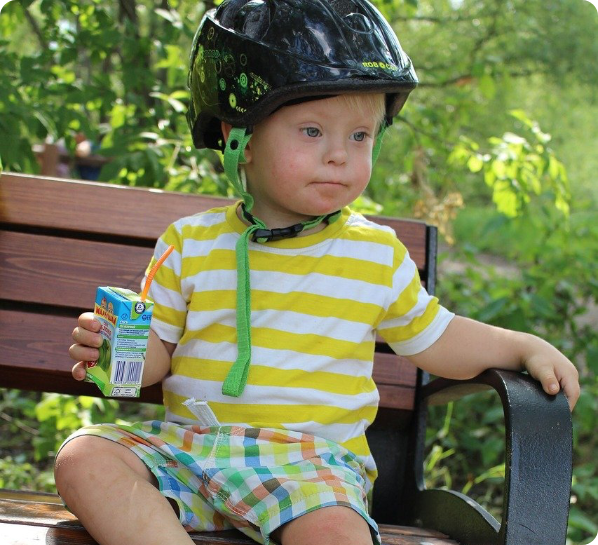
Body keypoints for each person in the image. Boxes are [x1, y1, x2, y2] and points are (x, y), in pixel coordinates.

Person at [54, 1, 580, 545]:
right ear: (241, 137)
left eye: (360, 136)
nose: (339, 156)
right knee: (85, 457)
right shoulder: (190, 243)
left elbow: (437, 339)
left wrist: (522, 347)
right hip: (191, 448)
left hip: (311, 469)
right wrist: (118, 353)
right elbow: (156, 356)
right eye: (312, 131)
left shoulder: (374, 254)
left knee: (336, 531)